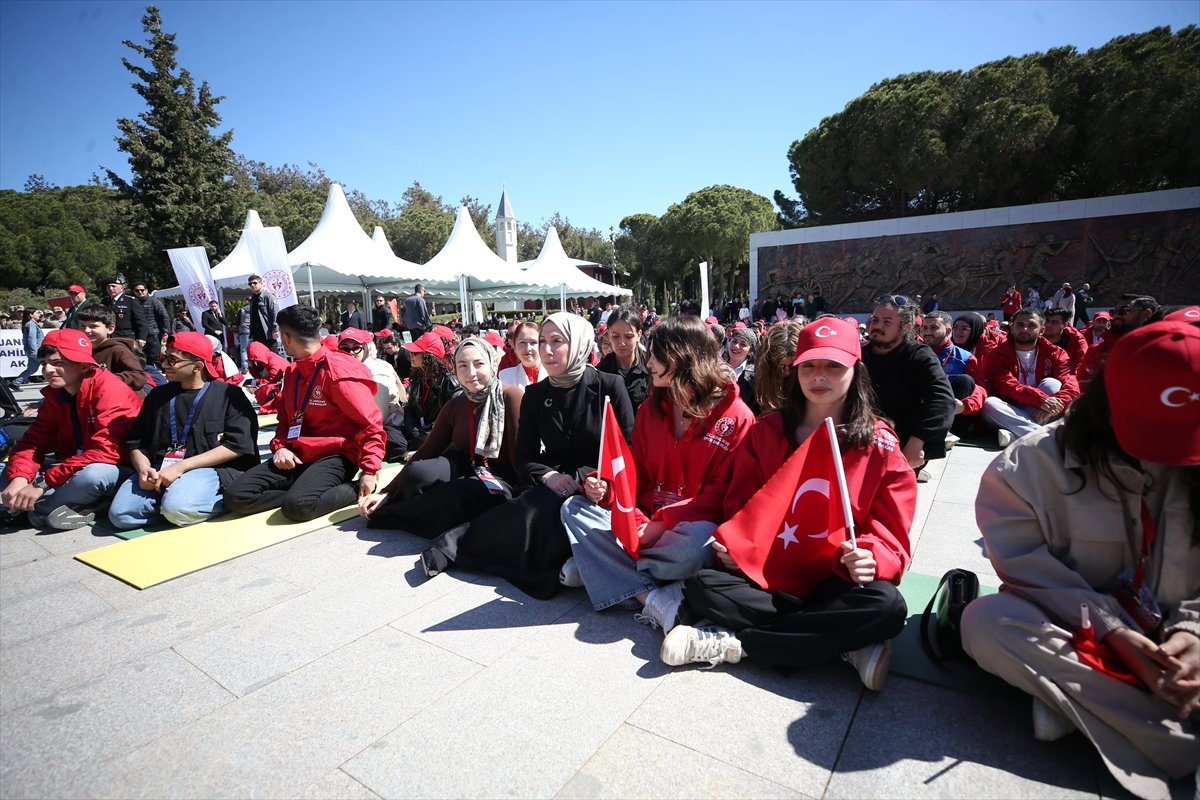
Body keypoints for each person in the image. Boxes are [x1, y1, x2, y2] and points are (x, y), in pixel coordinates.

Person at [963, 321, 1199, 800]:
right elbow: (1026, 571)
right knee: (986, 621)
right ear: (1107, 401)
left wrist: (1193, 632)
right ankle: (1177, 740)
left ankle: (1081, 704)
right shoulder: (1026, 467)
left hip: (1178, 636)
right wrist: (1114, 632)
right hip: (1080, 628)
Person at [661, 317, 916, 690]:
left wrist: (873, 556)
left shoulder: (881, 445)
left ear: (856, 371)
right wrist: (736, 544)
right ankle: (841, 645)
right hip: (768, 571)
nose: (819, 376)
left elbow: (893, 534)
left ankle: (737, 645)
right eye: (809, 366)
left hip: (834, 578)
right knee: (704, 585)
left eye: (833, 366)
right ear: (795, 371)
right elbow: (740, 505)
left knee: (887, 605)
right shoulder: (766, 432)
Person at [419, 312, 635, 599]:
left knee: (544, 510)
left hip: (602, 485)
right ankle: (451, 548)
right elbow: (525, 456)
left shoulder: (609, 386)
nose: (546, 350)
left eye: (557, 341)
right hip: (554, 480)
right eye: (543, 341)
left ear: (579, 344)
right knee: (529, 508)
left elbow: (627, 449)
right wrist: (549, 475)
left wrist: (597, 479)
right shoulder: (535, 394)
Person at [559, 315, 754, 631]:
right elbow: (633, 471)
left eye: (657, 356)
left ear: (685, 358)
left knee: (700, 543)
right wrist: (605, 487)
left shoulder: (737, 417)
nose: (648, 363)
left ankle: (602, 568)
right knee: (574, 508)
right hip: (641, 523)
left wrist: (662, 524)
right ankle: (652, 596)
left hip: (684, 531)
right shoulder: (650, 409)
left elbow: (723, 497)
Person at [224, 305, 386, 522]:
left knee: (298, 507)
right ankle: (304, 491)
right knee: (236, 496)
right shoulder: (293, 372)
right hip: (296, 453)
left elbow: (371, 424)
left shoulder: (338, 371)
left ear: (286, 337)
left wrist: (369, 471)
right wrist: (280, 447)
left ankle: (339, 489)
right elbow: (285, 419)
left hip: (336, 454)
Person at [360, 336, 523, 537]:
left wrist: (525, 502)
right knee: (417, 474)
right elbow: (427, 451)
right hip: (467, 465)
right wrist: (386, 491)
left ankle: (395, 514)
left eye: (478, 364)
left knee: (455, 494)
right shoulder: (456, 405)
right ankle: (395, 506)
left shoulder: (511, 396)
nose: (471, 372)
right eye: (462, 365)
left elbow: (521, 457)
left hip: (501, 475)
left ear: (492, 363)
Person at [107, 332, 258, 530]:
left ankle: (204, 504)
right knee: (121, 515)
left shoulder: (229, 395)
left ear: (197, 366)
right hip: (161, 469)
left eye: (173, 360)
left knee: (177, 508)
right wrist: (143, 468)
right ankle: (177, 507)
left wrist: (181, 467)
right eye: (164, 357)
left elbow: (238, 445)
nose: (164, 365)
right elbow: (136, 442)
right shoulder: (158, 395)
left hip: (209, 469)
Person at [0, 330, 140, 529]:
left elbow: (106, 452)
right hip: (73, 465)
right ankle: (74, 503)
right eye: (44, 363)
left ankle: (31, 514)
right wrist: (20, 478)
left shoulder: (109, 389)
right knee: (8, 472)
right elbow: (32, 442)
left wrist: (41, 484)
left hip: (116, 469)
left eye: (58, 363)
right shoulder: (56, 395)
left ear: (83, 365)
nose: (47, 370)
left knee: (92, 476)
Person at [861, 300, 955, 481]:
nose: (877, 326)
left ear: (907, 328)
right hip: (862, 435)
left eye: (887, 322)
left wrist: (918, 440)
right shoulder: (858, 354)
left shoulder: (919, 355)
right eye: (875, 320)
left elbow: (941, 399)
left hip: (903, 441)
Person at [981, 308, 1080, 447]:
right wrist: (1041, 400)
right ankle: (1048, 440)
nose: (1025, 329)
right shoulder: (997, 354)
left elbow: (1071, 382)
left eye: (1031, 325)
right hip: (1009, 408)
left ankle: (1017, 435)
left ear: (1042, 330)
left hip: (1041, 410)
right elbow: (1005, 384)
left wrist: (1057, 401)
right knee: (989, 403)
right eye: (1020, 325)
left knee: (1052, 384)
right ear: (1012, 327)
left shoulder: (1056, 353)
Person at [337, 328, 408, 462]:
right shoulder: (349, 368)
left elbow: (377, 418)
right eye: (344, 348)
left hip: (385, 432)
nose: (350, 353)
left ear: (365, 348)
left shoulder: (376, 374)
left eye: (356, 348)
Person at [920, 311, 986, 429]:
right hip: (921, 409)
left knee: (965, 380)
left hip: (952, 414)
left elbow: (980, 390)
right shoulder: (915, 353)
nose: (928, 332)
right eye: (925, 328)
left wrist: (964, 406)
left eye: (934, 328)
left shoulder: (966, 358)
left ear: (948, 331)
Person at [1077, 296, 1161, 388]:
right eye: (1114, 311)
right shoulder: (1097, 351)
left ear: (1147, 314)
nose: (1116, 316)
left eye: (1125, 310)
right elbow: (1083, 386)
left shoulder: (1161, 349)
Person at [400, 332, 461, 452]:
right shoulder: (417, 377)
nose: (411, 356)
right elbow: (409, 408)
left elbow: (450, 420)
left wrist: (422, 434)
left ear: (428, 357)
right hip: (418, 432)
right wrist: (413, 431)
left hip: (439, 435)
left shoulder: (449, 383)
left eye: (415, 353)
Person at [76, 306, 148, 393]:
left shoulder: (118, 350)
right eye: (82, 326)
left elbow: (139, 376)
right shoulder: (81, 351)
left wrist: (106, 380)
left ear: (110, 329)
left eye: (93, 326)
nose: (86, 330)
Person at [596, 305, 649, 413]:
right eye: (615, 336)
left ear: (639, 335)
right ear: (609, 335)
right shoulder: (601, 371)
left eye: (628, 336)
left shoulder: (650, 366)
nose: (621, 343)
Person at [102, 276, 150, 347]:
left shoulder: (131, 301)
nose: (110, 288)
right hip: (109, 337)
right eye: (108, 287)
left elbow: (141, 321)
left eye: (113, 286)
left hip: (125, 338)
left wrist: (141, 337)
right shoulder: (105, 301)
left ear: (122, 287)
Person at [130, 281, 169, 367]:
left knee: (155, 357)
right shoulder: (132, 303)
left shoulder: (154, 301)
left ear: (146, 290)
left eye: (142, 290)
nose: (140, 292)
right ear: (134, 292)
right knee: (141, 358)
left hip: (153, 334)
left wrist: (165, 331)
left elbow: (164, 317)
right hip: (139, 336)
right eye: (137, 291)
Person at [497, 321, 544, 388]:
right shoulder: (505, 376)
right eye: (522, 342)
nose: (528, 348)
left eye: (533, 342)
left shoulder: (555, 374)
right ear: (515, 346)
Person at [724, 326, 759, 416]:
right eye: (734, 341)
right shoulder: (717, 367)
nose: (736, 346)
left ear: (750, 351)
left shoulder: (754, 377)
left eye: (743, 344)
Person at [1042, 307, 1089, 373]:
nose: (1048, 325)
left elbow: (1081, 365)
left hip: (1068, 375)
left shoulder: (1076, 339)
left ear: (1065, 325)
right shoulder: (1036, 336)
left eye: (1054, 322)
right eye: (1047, 321)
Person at [8, 309, 45, 388]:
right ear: (31, 315)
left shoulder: (31, 324)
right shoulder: (31, 324)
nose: (39, 314)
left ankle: (15, 383)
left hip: (32, 350)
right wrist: (35, 352)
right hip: (35, 350)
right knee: (50, 364)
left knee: (32, 369)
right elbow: (31, 339)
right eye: (37, 313)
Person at [246, 275, 279, 352]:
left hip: (267, 332)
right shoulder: (253, 298)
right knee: (259, 355)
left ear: (261, 283)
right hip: (256, 332)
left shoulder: (268, 297)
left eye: (255, 283)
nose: (252, 285)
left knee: (272, 354)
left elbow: (275, 313)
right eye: (250, 284)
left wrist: (275, 329)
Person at [233, 302, 251, 371]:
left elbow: (237, 322)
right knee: (253, 349)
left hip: (244, 331)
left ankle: (245, 367)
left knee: (244, 350)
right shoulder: (255, 309)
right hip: (254, 331)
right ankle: (254, 366)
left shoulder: (242, 310)